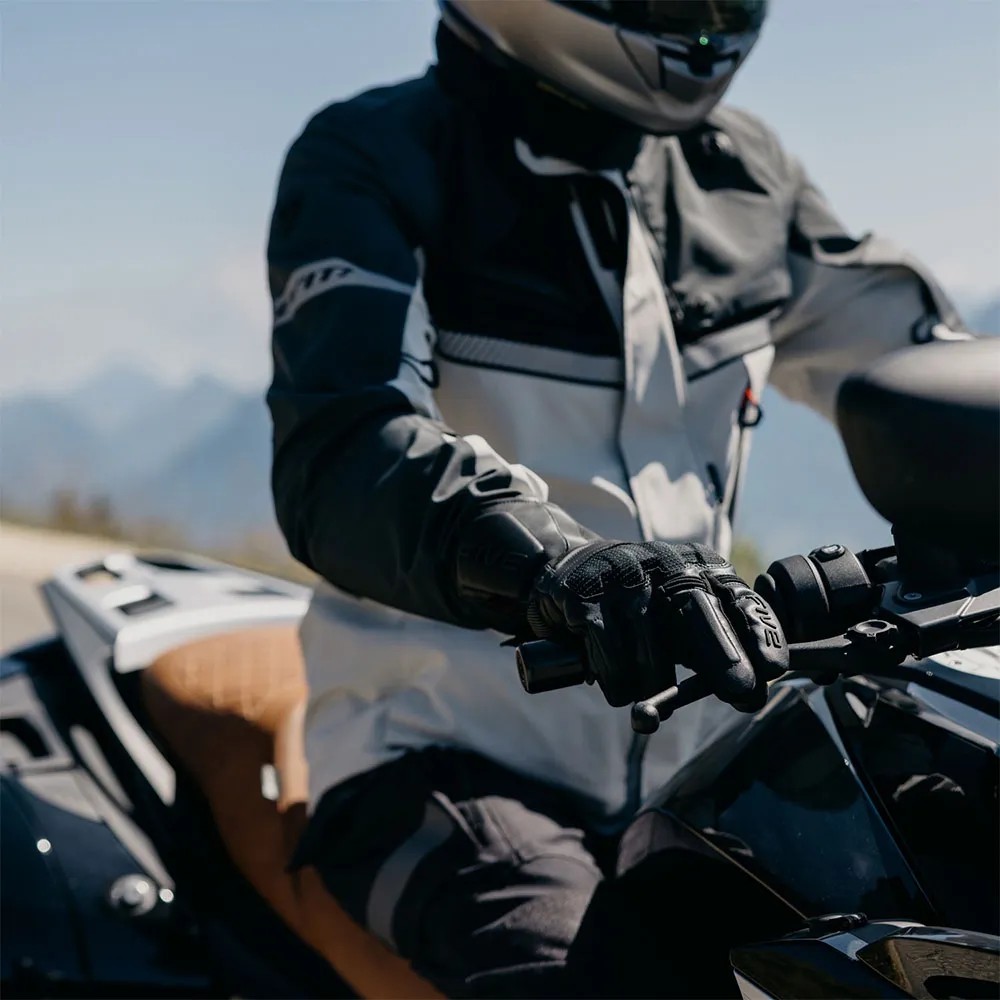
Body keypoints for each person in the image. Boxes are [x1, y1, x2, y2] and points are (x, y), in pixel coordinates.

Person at [266, 2, 965, 995]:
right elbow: (343, 447)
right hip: (434, 751)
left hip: (702, 749)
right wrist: (560, 565)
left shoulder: (744, 175)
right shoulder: (380, 155)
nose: (702, 18)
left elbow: (935, 372)